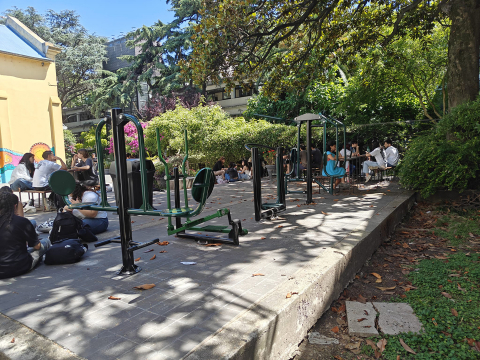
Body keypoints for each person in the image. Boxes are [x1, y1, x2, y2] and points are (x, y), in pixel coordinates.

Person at [0, 188, 51, 279]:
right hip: (19, 266)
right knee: (45, 242)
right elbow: (37, 246)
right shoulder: (21, 221)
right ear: (15, 206)